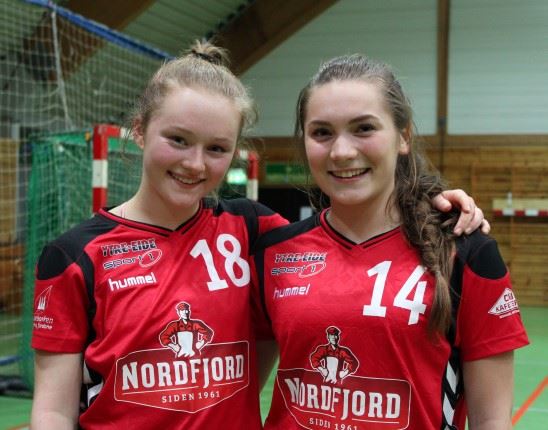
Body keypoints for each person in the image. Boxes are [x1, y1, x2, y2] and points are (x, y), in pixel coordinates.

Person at [30, 40, 485, 429]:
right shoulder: (76, 257)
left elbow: (348, 242)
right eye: (178, 140)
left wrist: (428, 204)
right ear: (138, 130)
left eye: (217, 148)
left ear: (234, 153)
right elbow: (52, 411)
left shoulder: (253, 231)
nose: (194, 163)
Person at [252, 54, 529, 429]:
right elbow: (233, 396)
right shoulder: (273, 253)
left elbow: (492, 420)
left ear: (403, 136)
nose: (342, 151)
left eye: (364, 128)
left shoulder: (464, 253)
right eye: (321, 132)